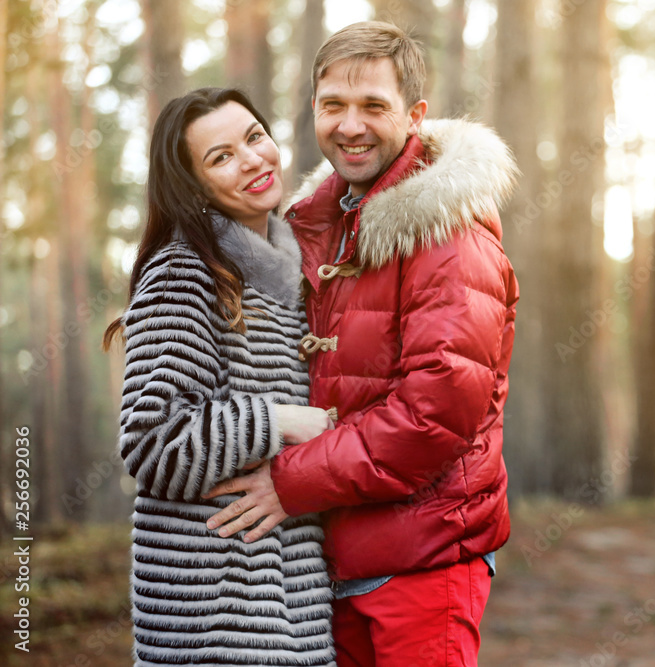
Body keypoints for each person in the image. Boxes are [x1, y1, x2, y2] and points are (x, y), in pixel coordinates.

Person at [205, 21, 519, 666]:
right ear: (313, 109)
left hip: (424, 559)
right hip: (332, 561)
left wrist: (289, 482)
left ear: (414, 115)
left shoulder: (449, 236)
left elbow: (433, 417)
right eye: (334, 106)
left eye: (374, 105)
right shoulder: (315, 226)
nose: (351, 126)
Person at [103, 87, 336, 667]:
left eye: (254, 137)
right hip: (213, 618)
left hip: (293, 605)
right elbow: (151, 441)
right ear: (193, 185)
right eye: (221, 157)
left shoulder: (290, 270)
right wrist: (278, 421)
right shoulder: (183, 270)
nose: (253, 160)